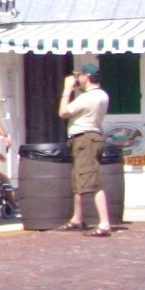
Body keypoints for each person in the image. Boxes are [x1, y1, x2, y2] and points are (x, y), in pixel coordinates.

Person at [59, 58, 112, 235]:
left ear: (86, 77)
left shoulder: (89, 97)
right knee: (79, 178)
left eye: (80, 75)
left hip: (85, 139)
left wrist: (66, 91)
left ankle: (104, 223)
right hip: (88, 138)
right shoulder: (102, 95)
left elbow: (63, 112)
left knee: (92, 180)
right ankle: (77, 218)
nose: (78, 79)